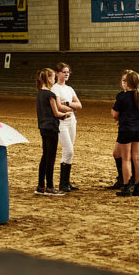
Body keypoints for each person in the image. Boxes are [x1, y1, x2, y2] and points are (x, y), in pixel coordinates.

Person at [111, 70, 139, 197]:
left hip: (125, 129)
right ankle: (138, 187)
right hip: (138, 129)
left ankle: (126, 187)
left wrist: (119, 116)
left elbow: (115, 114)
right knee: (137, 158)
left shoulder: (122, 97)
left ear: (128, 82)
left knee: (126, 159)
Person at [35, 68, 69, 196]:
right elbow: (56, 113)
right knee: (51, 158)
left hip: (43, 127)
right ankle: (50, 186)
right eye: (53, 77)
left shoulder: (39, 94)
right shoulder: (50, 95)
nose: (54, 79)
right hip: (51, 128)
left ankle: (40, 185)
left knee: (45, 156)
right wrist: (66, 114)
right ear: (48, 78)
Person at [51, 62, 82, 191]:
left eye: (68, 72)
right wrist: (72, 108)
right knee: (68, 150)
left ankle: (66, 182)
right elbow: (59, 107)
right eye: (64, 72)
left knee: (69, 150)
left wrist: (68, 104)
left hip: (71, 121)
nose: (66, 74)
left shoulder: (69, 89)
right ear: (57, 73)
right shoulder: (55, 88)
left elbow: (79, 105)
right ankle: (63, 183)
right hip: (62, 121)